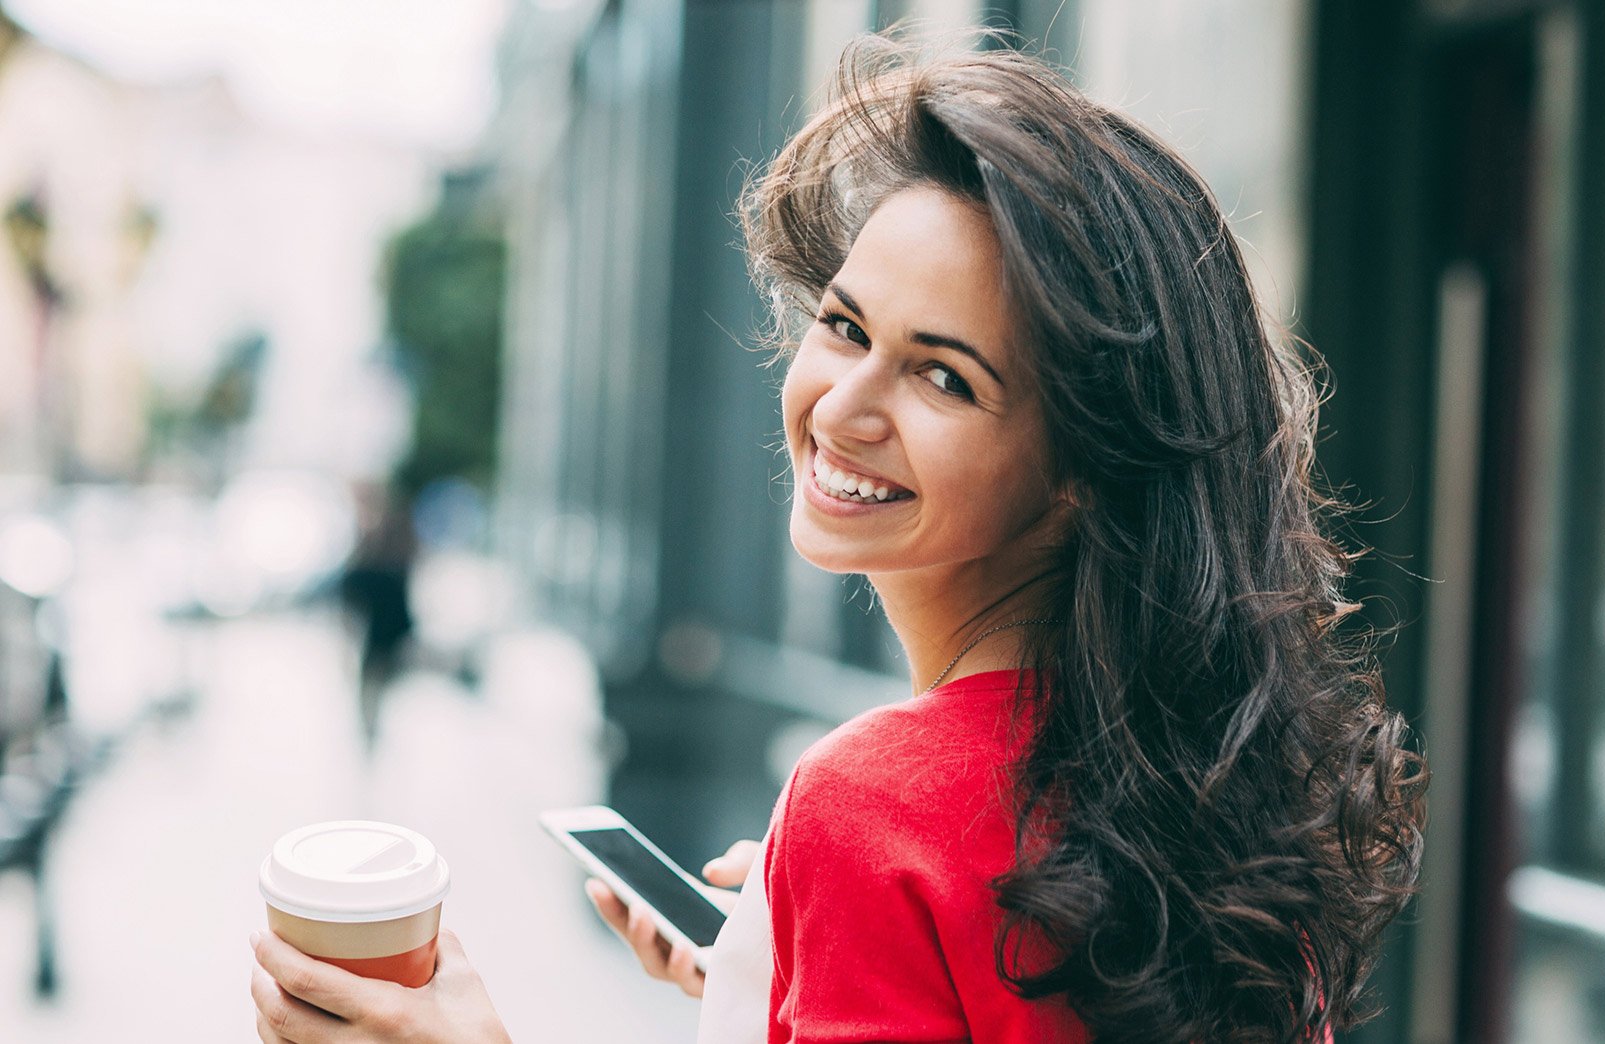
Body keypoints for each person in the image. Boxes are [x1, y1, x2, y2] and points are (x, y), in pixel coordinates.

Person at [249, 33, 1425, 1044]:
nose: (845, 405)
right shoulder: (1224, 795)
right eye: (844, 326)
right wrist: (781, 979)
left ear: (1083, 469)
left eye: (945, 378)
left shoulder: (868, 810)